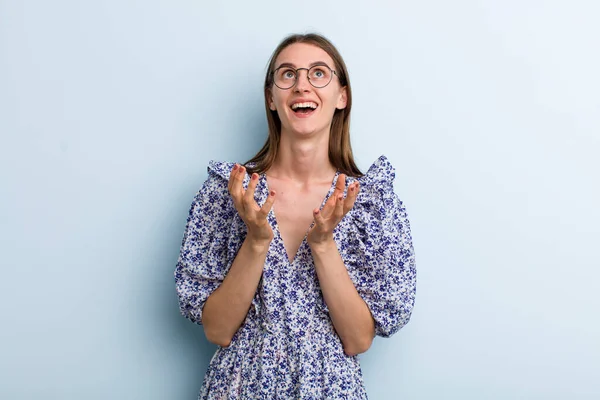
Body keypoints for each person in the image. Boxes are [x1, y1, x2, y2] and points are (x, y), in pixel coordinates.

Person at [174, 32, 417, 399]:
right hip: (239, 388)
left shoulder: (371, 202)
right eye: (287, 74)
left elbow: (357, 339)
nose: (302, 84)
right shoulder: (229, 191)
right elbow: (218, 330)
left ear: (342, 95)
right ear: (272, 97)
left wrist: (322, 244)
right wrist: (256, 241)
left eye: (318, 73)